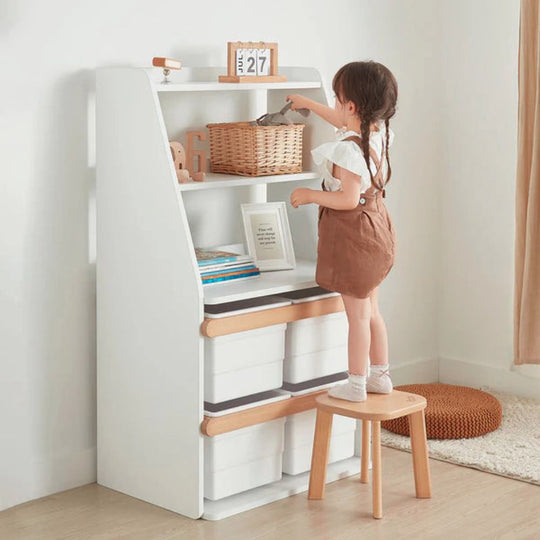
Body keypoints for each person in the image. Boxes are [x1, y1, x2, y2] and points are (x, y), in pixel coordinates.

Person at [287, 60, 398, 402]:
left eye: (336, 99)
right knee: (373, 312)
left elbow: (347, 199)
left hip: (355, 239)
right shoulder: (378, 132)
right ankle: (381, 375)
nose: (334, 106)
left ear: (350, 106)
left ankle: (355, 384)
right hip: (378, 230)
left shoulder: (348, 150)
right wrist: (308, 104)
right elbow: (341, 121)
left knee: (357, 318)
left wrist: (308, 196)